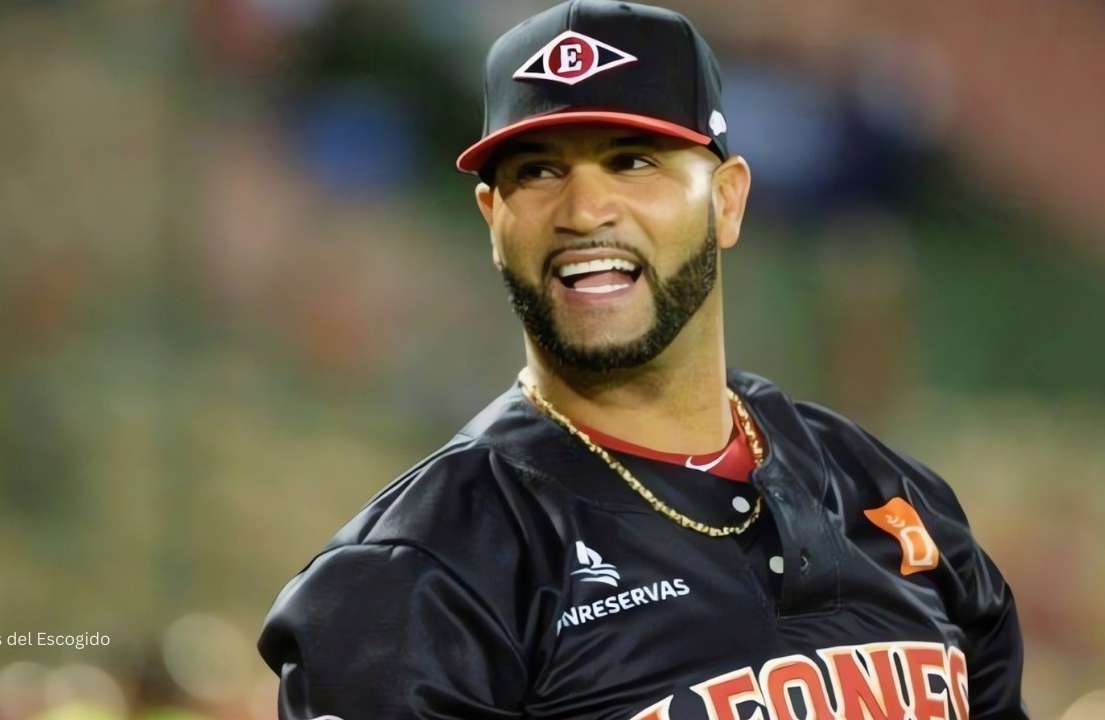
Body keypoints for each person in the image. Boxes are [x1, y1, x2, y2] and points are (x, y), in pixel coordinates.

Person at [257, 1, 1029, 718]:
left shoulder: (893, 496)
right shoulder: (421, 577)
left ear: (726, 201)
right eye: (538, 171)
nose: (584, 210)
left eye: (633, 161)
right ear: (493, 218)